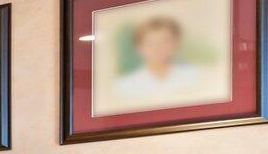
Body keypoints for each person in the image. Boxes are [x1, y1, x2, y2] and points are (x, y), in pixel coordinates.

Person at [97, 13, 228, 111]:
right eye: (150, 43)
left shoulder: (198, 75)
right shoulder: (123, 86)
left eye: (164, 41)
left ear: (176, 43)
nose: (158, 48)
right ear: (139, 47)